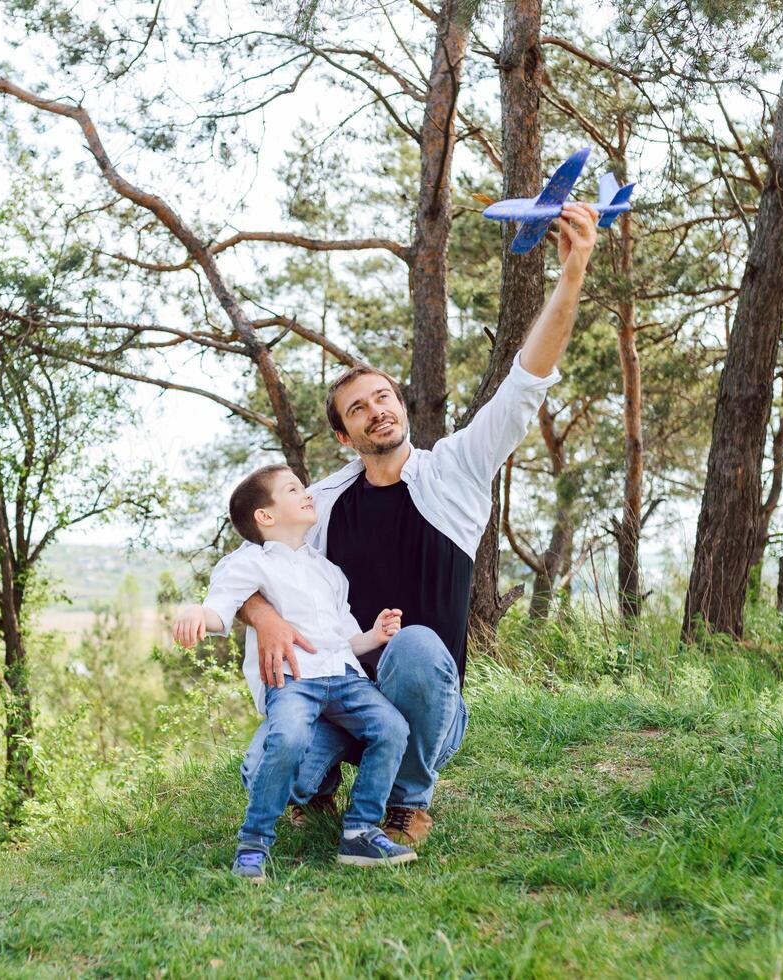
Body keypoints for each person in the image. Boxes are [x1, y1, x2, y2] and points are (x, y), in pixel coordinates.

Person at [223, 202, 602, 847]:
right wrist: (265, 617)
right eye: (358, 409)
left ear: (400, 407)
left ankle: (406, 800)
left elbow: (525, 384)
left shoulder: (453, 474)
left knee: (417, 645)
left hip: (424, 699)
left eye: (384, 398)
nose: (377, 412)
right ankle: (315, 785)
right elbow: (248, 564)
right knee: (265, 771)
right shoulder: (321, 503)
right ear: (344, 435)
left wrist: (570, 276)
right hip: (344, 698)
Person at [173, 464, 417, 881]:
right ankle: (253, 842)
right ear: (265, 516)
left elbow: (344, 640)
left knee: (392, 728)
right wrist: (198, 612)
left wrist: (375, 635)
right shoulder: (251, 563)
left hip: (344, 677)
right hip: (292, 681)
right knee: (286, 739)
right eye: (292, 489)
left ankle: (360, 829)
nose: (306, 493)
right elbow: (221, 607)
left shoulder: (328, 572)